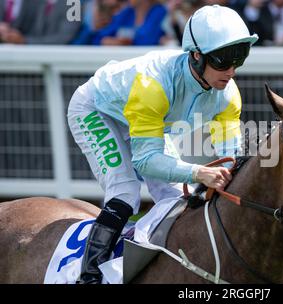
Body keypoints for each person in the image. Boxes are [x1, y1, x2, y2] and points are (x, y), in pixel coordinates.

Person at [67, 4, 258, 284]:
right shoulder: (153, 85)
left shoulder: (227, 95)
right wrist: (199, 172)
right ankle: (89, 275)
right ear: (195, 56)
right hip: (96, 110)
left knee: (178, 200)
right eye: (221, 61)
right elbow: (145, 161)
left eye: (238, 59)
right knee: (125, 192)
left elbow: (232, 158)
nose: (230, 71)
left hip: (142, 118)